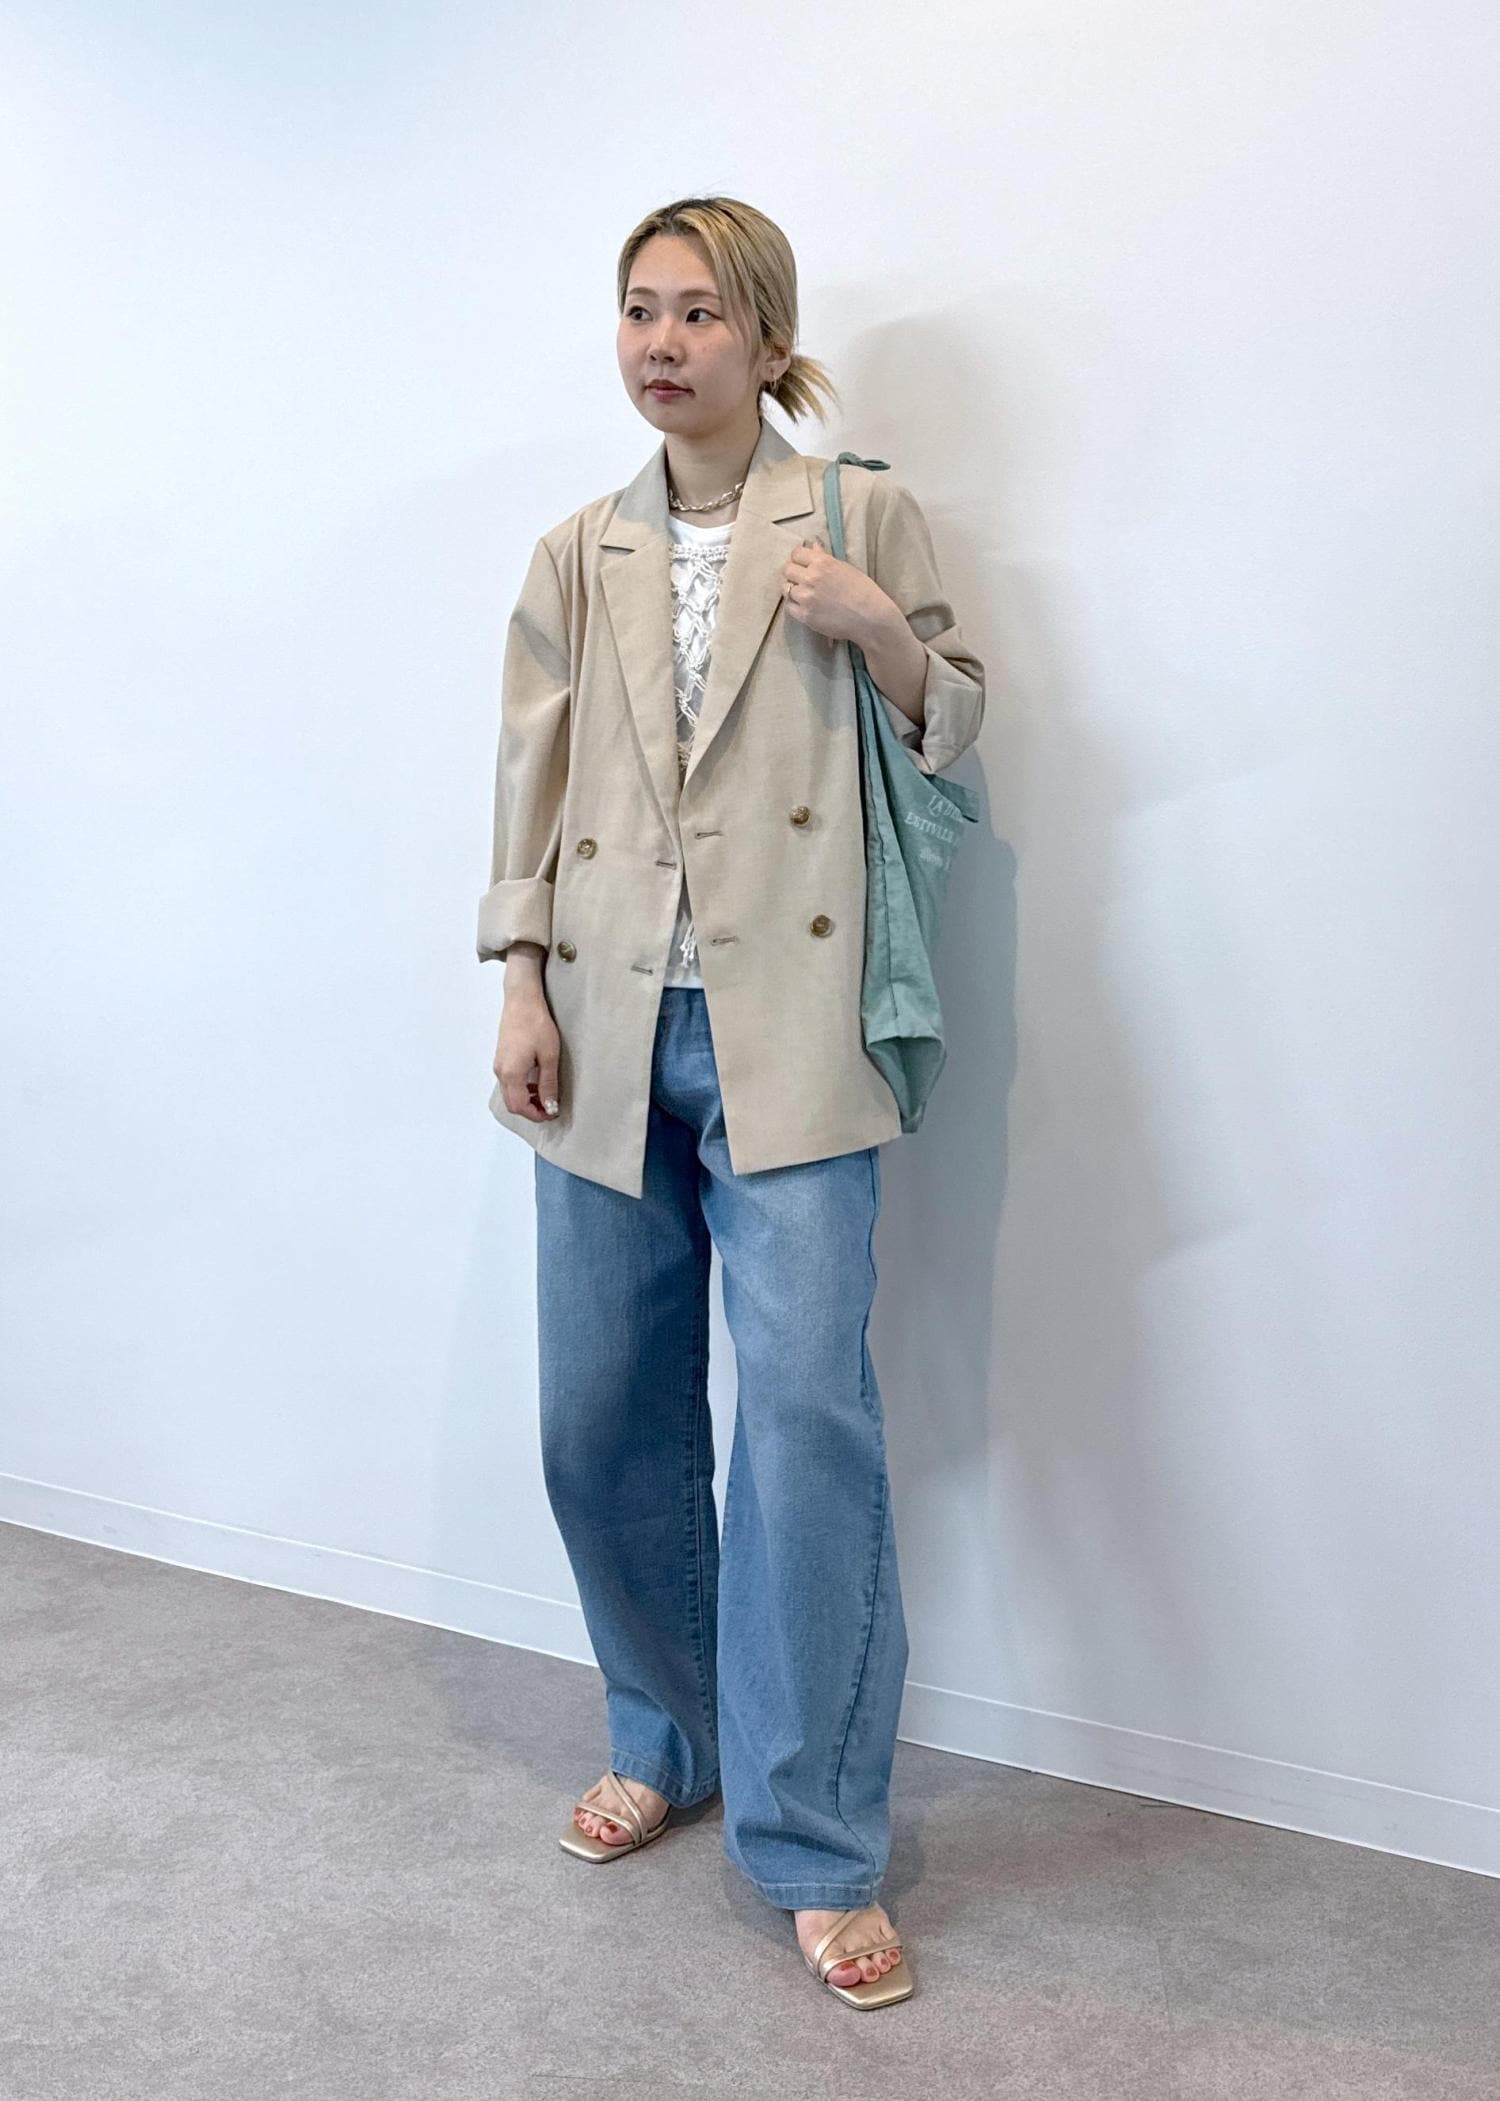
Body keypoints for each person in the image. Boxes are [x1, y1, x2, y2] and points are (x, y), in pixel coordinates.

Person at [477, 195, 984, 2009]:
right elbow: (528, 781)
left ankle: (819, 1840)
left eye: (699, 312)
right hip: (605, 1023)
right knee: (595, 1413)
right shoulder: (577, 550)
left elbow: (957, 726)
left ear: (769, 340)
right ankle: (665, 1730)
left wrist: (878, 628)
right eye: (640, 309)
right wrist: (521, 976)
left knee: (802, 1426)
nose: (663, 342)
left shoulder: (856, 515)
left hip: (795, 1030)